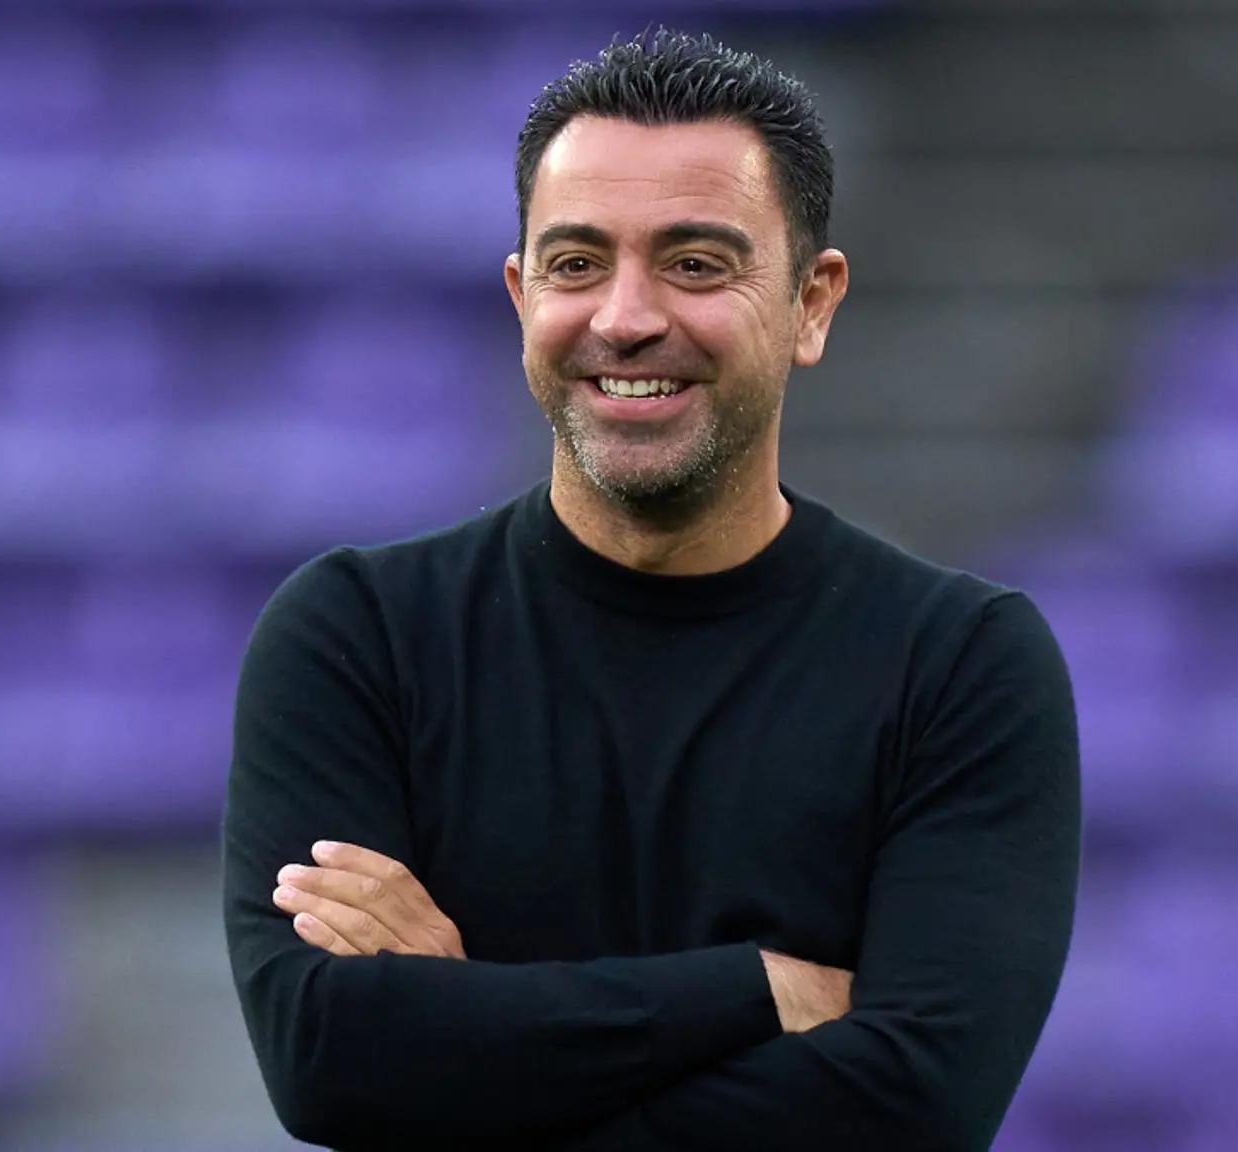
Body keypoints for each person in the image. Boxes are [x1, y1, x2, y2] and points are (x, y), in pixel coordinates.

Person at [221, 29, 1079, 1152]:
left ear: (811, 303)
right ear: (521, 294)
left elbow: (917, 1106)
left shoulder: (957, 663)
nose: (625, 318)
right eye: (577, 264)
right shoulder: (356, 635)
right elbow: (325, 1061)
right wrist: (753, 989)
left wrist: (470, 1035)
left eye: (696, 264)